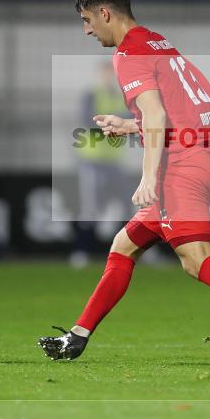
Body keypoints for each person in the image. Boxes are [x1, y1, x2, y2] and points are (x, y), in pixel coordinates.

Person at [38, 0, 210, 364]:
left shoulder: (128, 54)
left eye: (87, 21)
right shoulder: (156, 41)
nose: (86, 31)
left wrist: (147, 177)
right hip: (204, 151)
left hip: (182, 163)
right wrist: (129, 125)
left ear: (105, 13)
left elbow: (158, 116)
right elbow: (182, 106)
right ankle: (77, 336)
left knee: (197, 260)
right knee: (123, 247)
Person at [71, 60, 129, 268]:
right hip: (92, 160)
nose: (107, 77)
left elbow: (132, 120)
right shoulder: (92, 95)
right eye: (104, 73)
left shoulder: (120, 97)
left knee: (128, 205)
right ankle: (81, 251)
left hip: (113, 161)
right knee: (90, 208)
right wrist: (118, 124)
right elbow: (89, 121)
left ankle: (137, 252)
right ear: (98, 75)